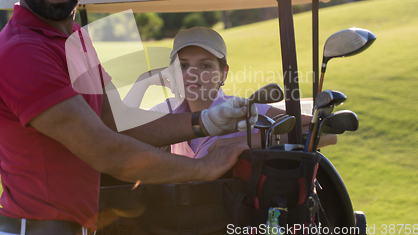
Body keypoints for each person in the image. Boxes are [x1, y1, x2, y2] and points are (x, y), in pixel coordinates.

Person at [0, 0, 257, 235]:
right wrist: (203, 168)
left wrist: (206, 122)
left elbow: (120, 123)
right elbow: (106, 149)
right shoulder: (23, 50)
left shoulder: (76, 40)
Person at [125, 27, 337, 158]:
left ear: (223, 74)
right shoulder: (169, 109)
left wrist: (237, 143)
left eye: (205, 66)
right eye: (183, 66)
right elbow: (120, 133)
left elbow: (327, 133)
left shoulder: (239, 109)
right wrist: (142, 82)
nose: (192, 73)